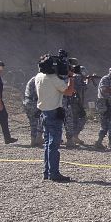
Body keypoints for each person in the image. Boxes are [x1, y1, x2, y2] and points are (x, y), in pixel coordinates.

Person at [35, 54, 76, 182]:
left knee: (48, 143)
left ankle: (47, 172)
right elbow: (69, 92)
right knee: (54, 144)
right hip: (53, 112)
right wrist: (71, 78)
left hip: (44, 112)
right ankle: (54, 173)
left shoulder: (38, 76)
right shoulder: (53, 79)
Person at [94, 67, 111, 149]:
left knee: (105, 124)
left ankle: (99, 141)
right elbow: (104, 89)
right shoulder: (106, 79)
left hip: (107, 104)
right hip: (105, 104)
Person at [64, 64, 90, 147]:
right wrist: (87, 81)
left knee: (73, 119)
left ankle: (73, 137)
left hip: (70, 101)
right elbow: (83, 87)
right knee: (82, 117)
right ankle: (74, 136)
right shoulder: (78, 77)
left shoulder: (72, 77)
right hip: (75, 101)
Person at [22, 75, 42, 147]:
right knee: (38, 122)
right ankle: (36, 140)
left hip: (28, 102)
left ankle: (34, 140)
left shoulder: (33, 79)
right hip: (34, 102)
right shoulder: (38, 80)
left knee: (33, 123)